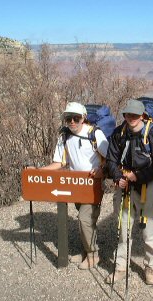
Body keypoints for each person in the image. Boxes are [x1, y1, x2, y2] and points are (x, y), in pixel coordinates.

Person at [42, 101, 108, 270]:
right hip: (76, 184)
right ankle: (86, 251)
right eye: (68, 118)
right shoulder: (64, 136)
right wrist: (38, 171)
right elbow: (59, 163)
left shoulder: (94, 134)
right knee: (86, 220)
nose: (72, 122)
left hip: (92, 184)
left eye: (76, 118)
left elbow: (110, 159)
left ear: (83, 118)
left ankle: (93, 254)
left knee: (84, 219)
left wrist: (102, 171)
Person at [105, 99, 153, 285]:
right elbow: (111, 160)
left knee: (148, 229)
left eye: (135, 115)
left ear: (143, 116)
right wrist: (118, 177)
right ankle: (121, 267)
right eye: (128, 114)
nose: (131, 118)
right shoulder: (118, 134)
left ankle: (149, 266)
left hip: (147, 185)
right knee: (123, 228)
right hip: (125, 186)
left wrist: (137, 177)